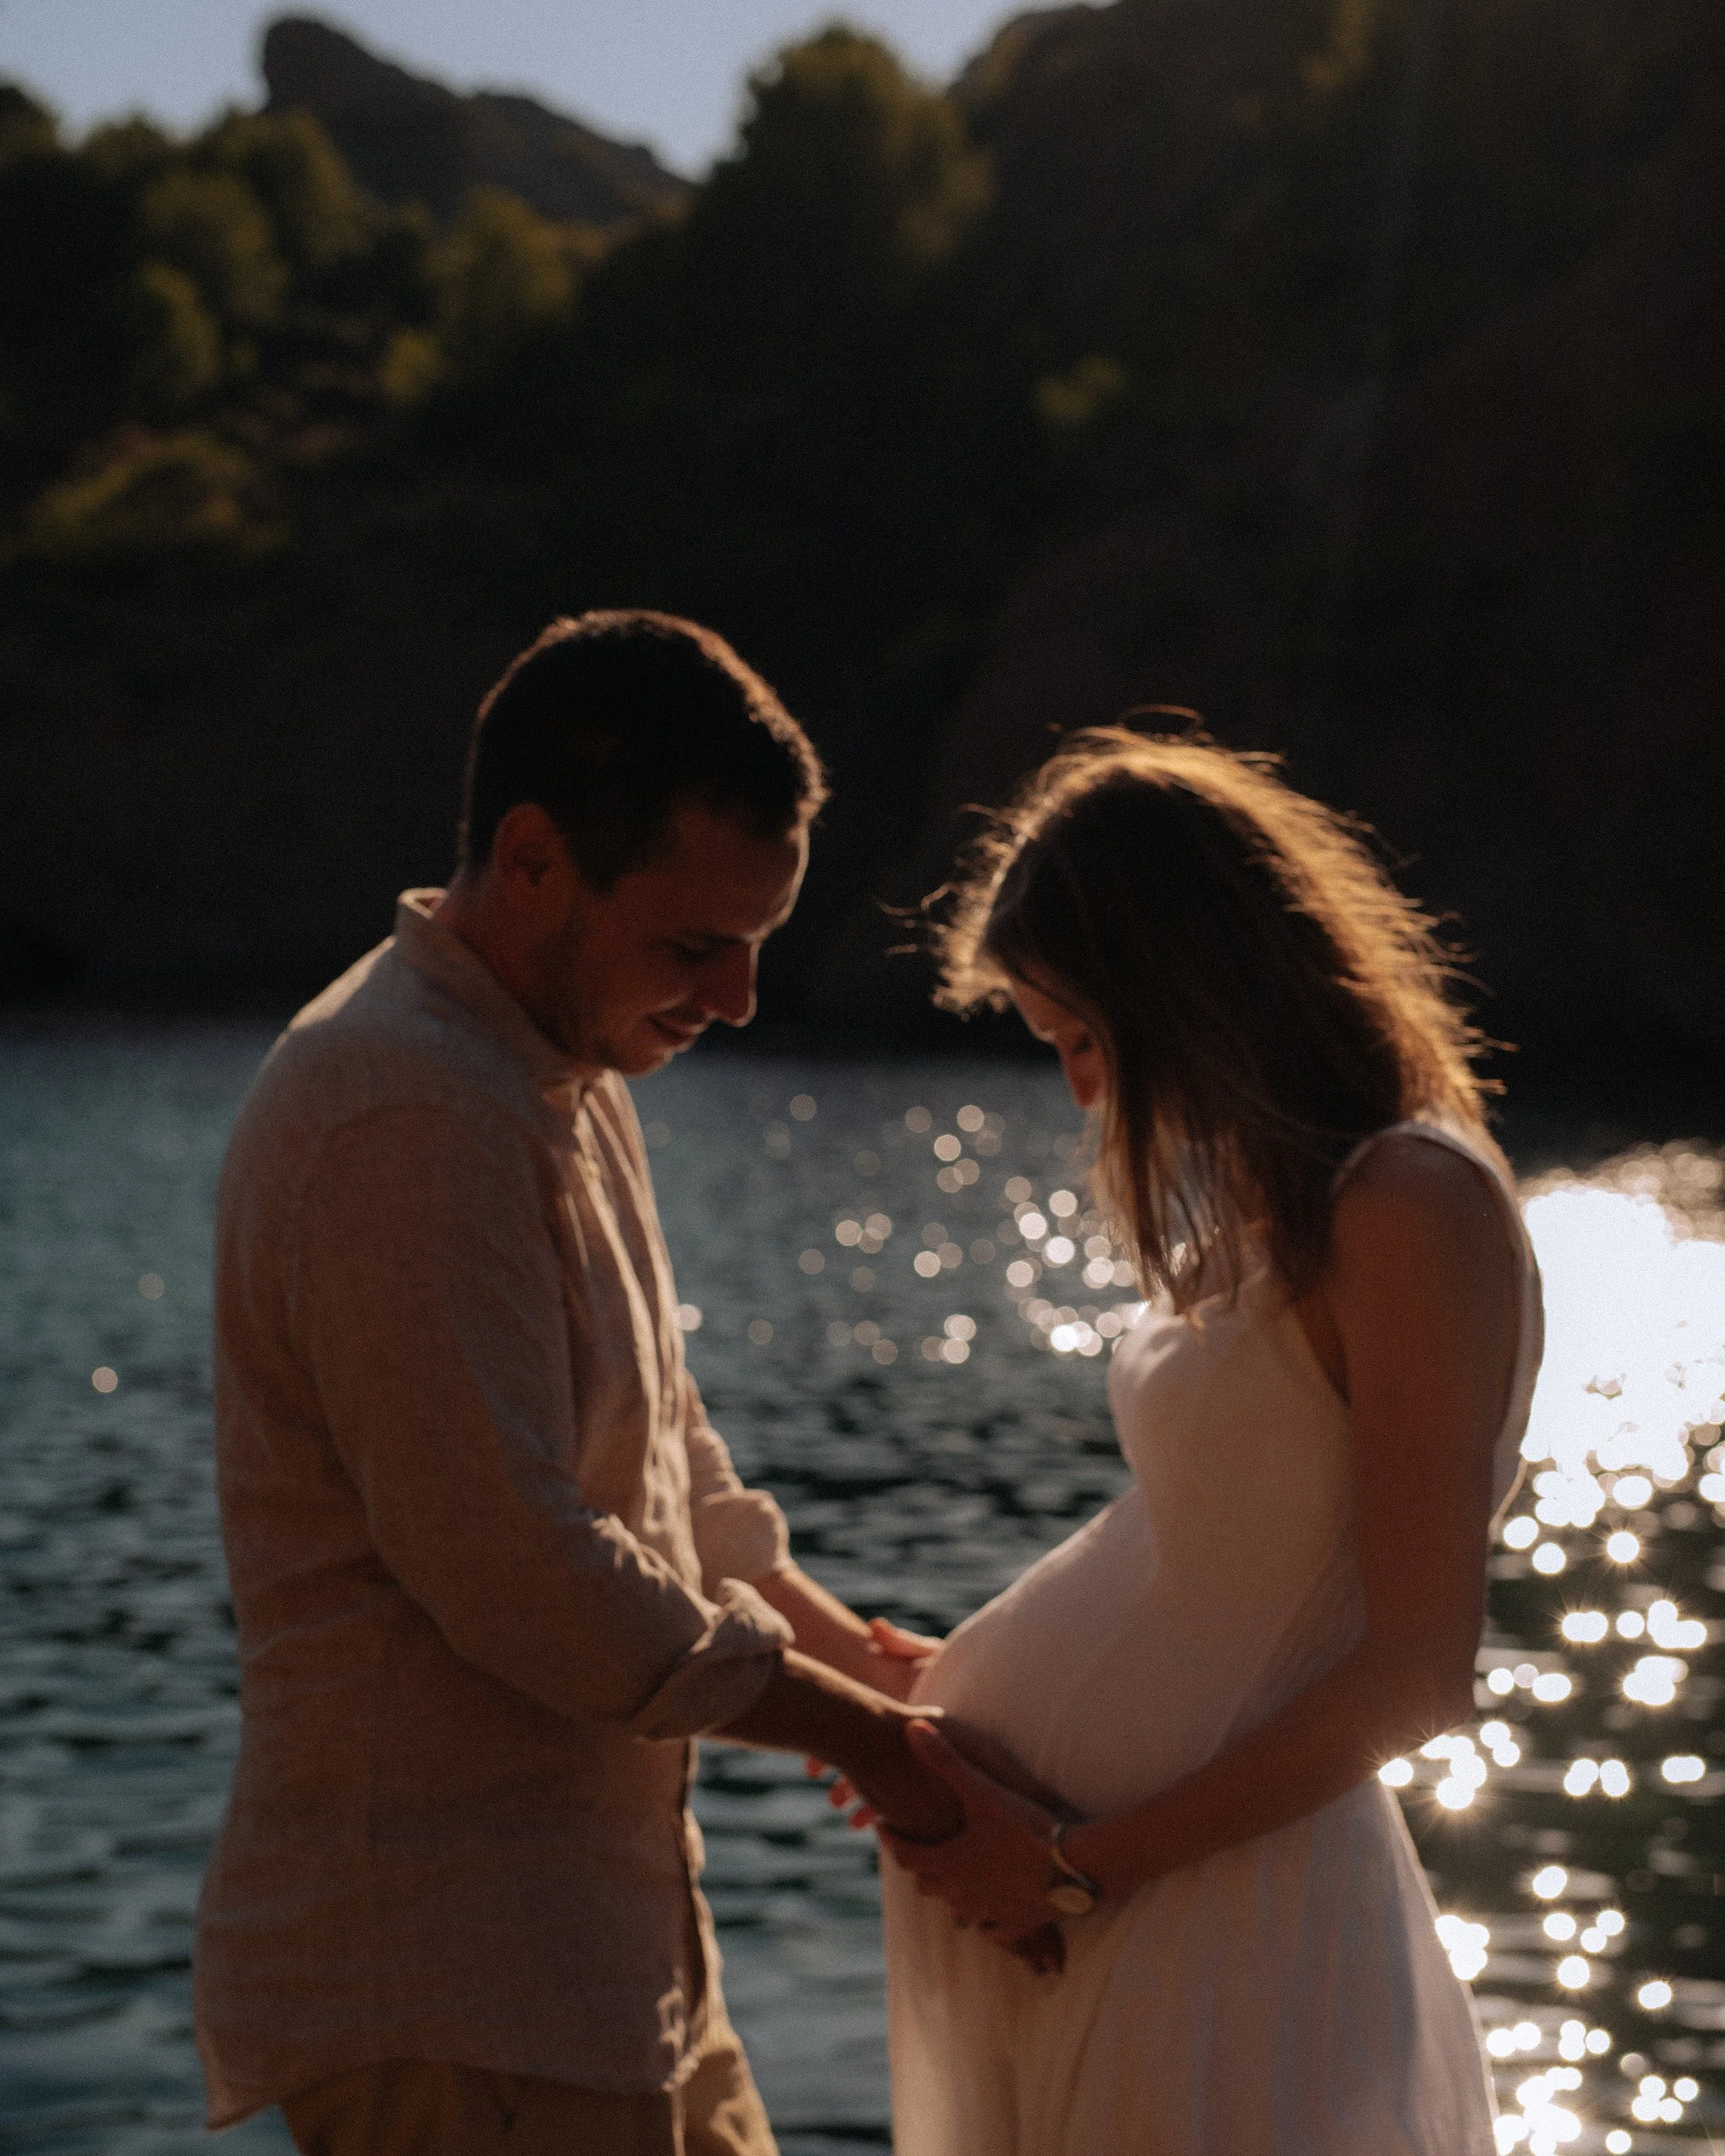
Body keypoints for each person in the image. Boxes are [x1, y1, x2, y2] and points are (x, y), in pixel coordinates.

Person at [193, 610, 960, 2156]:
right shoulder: (403, 1106)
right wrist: (879, 1753)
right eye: (695, 945)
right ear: (531, 858)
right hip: (450, 1987)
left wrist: (878, 1676)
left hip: (606, 1973)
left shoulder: (558, 1063)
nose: (740, 997)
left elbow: (665, 1456)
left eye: (757, 943)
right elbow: (517, 1566)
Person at [873, 727, 1544, 2155]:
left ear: (1185, 984)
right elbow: (1212, 1550)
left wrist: (1067, 1867)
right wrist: (953, 1692)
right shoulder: (1276, 1204)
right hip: (1132, 1897)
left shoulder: (1406, 1203)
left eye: (1084, 1038)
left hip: (1216, 1910)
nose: (1082, 1091)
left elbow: (1415, 1672)